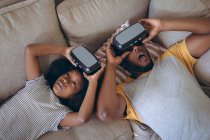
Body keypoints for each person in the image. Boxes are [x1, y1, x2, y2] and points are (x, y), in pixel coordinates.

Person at [97, 18, 210, 139]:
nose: (136, 48)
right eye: (129, 49)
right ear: (122, 63)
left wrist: (162, 25)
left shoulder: (173, 56)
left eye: (138, 43)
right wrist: (111, 65)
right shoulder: (125, 91)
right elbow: (106, 113)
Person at [0, 44, 104, 140]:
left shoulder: (60, 113)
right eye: (67, 75)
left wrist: (93, 82)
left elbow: (82, 118)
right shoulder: (38, 84)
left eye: (73, 83)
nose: (66, 80)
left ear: (74, 97)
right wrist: (64, 51)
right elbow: (30, 51)